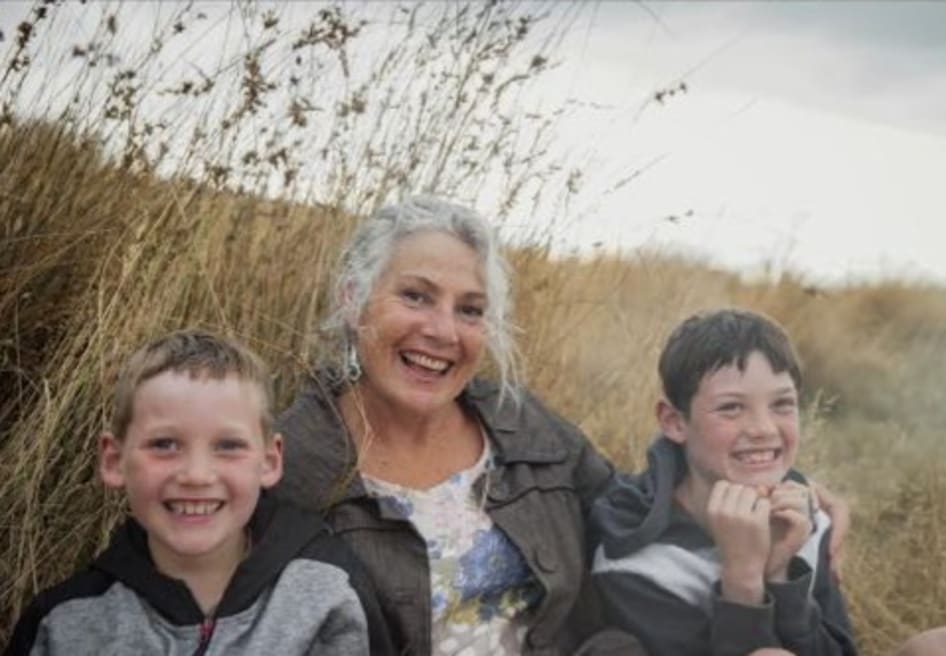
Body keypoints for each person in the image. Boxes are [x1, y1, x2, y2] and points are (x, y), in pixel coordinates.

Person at [274, 195, 852, 656]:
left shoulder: (520, 427)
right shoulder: (294, 463)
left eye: (470, 310)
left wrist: (791, 492)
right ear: (354, 301)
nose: (444, 331)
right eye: (416, 297)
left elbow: (633, 504)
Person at [4, 330, 393, 656]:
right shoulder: (66, 625)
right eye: (164, 445)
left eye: (228, 446)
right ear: (114, 460)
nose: (195, 475)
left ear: (270, 461)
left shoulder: (327, 595)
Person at [590, 309, 856, 655]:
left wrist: (779, 575)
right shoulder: (637, 563)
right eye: (731, 408)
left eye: (782, 404)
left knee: (943, 644)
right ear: (674, 422)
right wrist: (743, 578)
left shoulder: (805, 520)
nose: (763, 428)